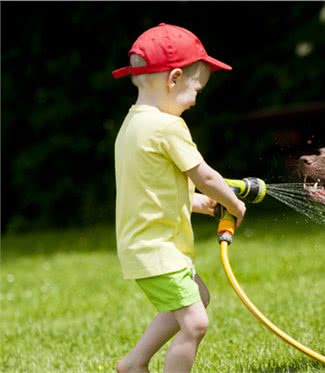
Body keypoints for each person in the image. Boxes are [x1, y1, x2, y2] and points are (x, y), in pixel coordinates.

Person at [112, 23, 246, 373]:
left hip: (145, 245)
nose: (196, 99)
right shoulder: (168, 127)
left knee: (197, 298)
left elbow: (152, 185)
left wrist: (198, 203)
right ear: (173, 79)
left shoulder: (132, 126)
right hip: (158, 248)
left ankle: (133, 363)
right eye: (196, 88)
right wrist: (233, 203)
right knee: (195, 322)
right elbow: (205, 175)